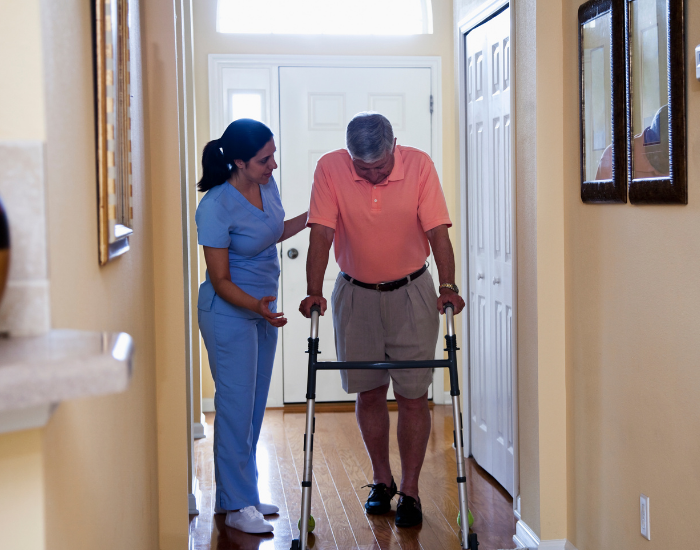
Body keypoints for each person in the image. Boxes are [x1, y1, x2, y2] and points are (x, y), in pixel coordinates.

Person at [299, 112, 465, 528]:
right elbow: (320, 232)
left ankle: (410, 489)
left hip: (412, 292)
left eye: (380, 167)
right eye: (363, 168)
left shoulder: (419, 165)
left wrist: (448, 284)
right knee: (368, 391)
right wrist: (314, 290)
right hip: (355, 293)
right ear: (349, 155)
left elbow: (438, 232)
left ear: (395, 146)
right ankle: (381, 480)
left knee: (412, 395)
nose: (372, 176)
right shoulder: (330, 168)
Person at [196, 119, 308, 534]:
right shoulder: (215, 206)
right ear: (239, 161)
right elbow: (221, 280)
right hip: (229, 313)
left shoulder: (266, 186)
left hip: (263, 310)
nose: (273, 165)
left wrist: (316, 216)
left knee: (253, 409)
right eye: (264, 159)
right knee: (234, 409)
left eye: (273, 154)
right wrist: (257, 307)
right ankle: (238, 503)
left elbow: (272, 231)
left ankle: (240, 496)